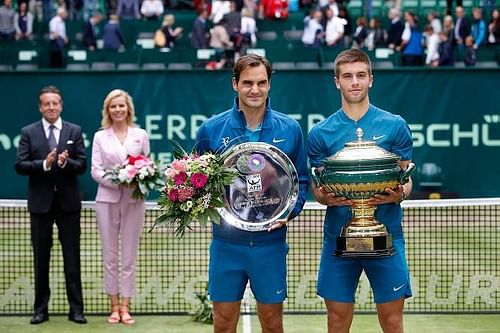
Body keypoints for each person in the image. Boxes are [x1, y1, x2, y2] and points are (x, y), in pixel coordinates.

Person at [195, 54, 310, 333]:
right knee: (222, 323)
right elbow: (197, 181)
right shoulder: (210, 129)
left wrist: (289, 212)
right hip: (226, 243)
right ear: (235, 84)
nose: (254, 89)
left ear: (270, 85)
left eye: (261, 83)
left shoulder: (290, 129)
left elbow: (301, 182)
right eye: (247, 83)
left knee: (272, 323)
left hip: (270, 244)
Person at [307, 48, 414, 333]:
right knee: (337, 322)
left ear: (370, 80)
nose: (354, 82)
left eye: (360, 75)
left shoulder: (395, 125)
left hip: (386, 235)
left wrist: (400, 192)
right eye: (348, 76)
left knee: (392, 322)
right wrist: (324, 197)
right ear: (337, 81)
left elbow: (406, 175)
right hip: (338, 240)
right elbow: (319, 189)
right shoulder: (320, 133)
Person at [14, 85, 87, 325]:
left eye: (55, 103)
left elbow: (82, 165)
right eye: (47, 103)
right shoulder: (28, 132)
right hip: (40, 205)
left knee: (72, 260)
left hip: (68, 205)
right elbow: (20, 165)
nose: (51, 107)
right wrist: (44, 164)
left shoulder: (74, 131)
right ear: (40, 107)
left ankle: (76, 310)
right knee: (41, 260)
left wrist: (66, 163)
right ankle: (40, 310)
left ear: (61, 105)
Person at [91, 89, 150, 325]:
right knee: (110, 256)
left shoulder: (141, 134)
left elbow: (147, 164)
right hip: (106, 200)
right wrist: (120, 178)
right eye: (113, 106)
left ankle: (126, 306)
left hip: (134, 201)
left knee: (128, 256)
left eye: (121, 106)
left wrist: (137, 177)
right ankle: (113, 306)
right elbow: (95, 169)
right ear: (108, 110)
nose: (118, 110)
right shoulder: (99, 137)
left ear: (128, 109)